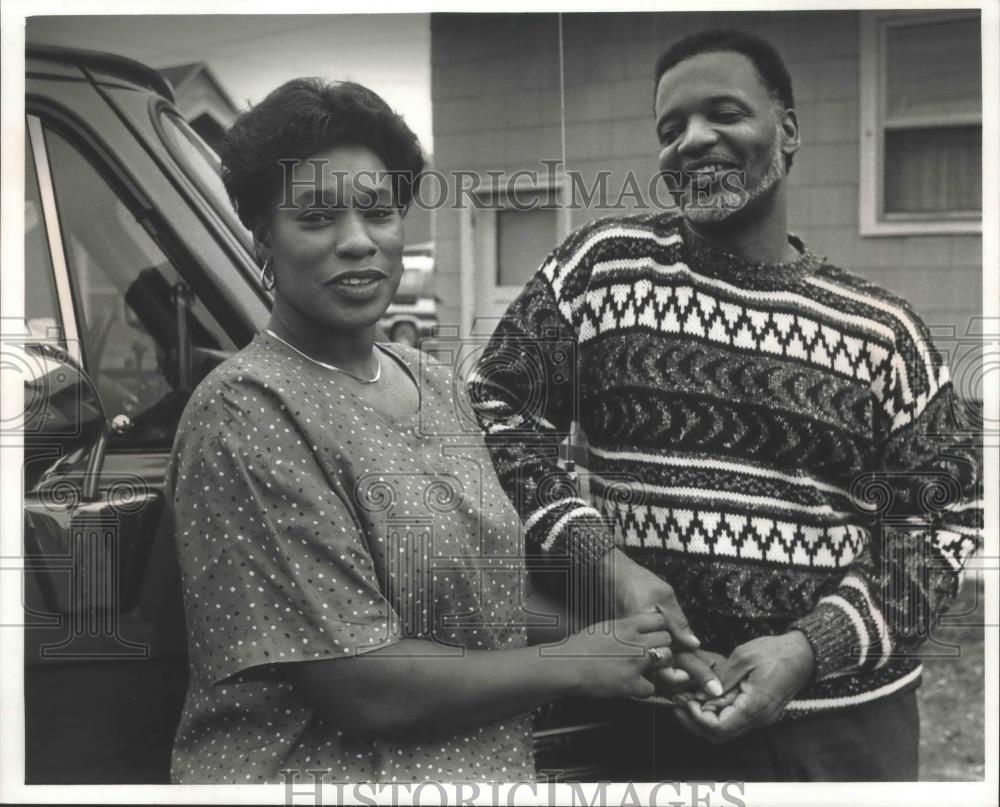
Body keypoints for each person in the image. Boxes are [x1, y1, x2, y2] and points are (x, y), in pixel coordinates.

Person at [468, 29, 981, 781]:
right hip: (637, 717)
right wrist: (598, 559)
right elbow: (498, 401)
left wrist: (811, 647)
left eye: (724, 113)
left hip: (838, 734)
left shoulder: (883, 330)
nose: (692, 141)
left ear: (790, 131)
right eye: (669, 129)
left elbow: (945, 515)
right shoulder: (604, 270)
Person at [165, 77, 690, 784]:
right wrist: (583, 661)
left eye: (378, 212)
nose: (358, 241)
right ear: (263, 238)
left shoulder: (434, 382)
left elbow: (486, 595)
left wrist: (647, 645)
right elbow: (365, 686)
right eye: (316, 218)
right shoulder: (246, 412)